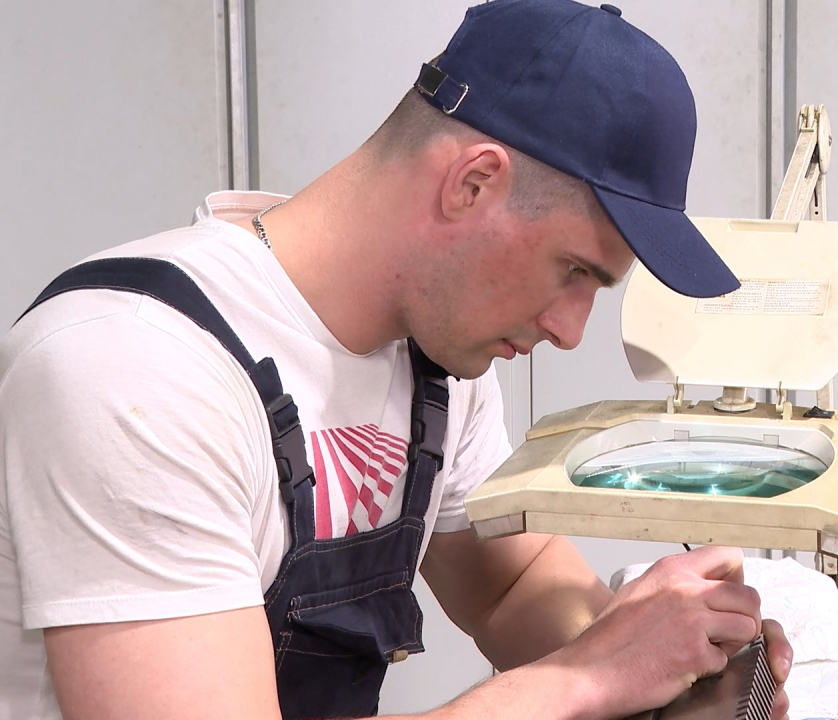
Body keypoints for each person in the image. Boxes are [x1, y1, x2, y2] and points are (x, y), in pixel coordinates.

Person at [0, 1, 794, 719]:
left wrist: (673, 675)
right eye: (574, 271)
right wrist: (590, 676)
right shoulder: (136, 367)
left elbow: (511, 585)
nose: (570, 331)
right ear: (473, 184)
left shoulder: (438, 359)